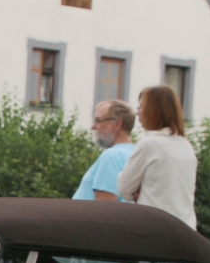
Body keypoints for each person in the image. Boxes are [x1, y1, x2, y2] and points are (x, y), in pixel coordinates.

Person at [114, 85, 196, 227]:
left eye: (141, 107)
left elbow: (124, 188)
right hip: (186, 228)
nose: (138, 113)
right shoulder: (186, 146)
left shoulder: (149, 145)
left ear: (154, 111)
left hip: (155, 228)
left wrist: (140, 189)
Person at [74, 101, 136, 203]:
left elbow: (104, 209)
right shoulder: (134, 154)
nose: (93, 126)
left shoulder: (111, 156)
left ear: (117, 124)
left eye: (98, 120)